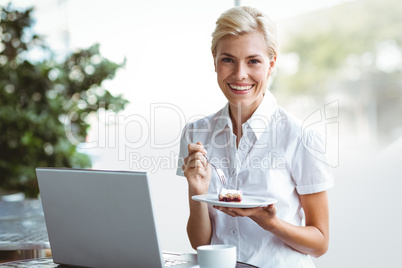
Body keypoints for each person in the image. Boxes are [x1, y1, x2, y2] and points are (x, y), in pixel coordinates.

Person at [176, 6, 334, 268]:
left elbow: (319, 243)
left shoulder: (301, 137)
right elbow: (199, 242)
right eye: (228, 59)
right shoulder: (196, 134)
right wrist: (197, 190)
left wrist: (268, 221)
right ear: (214, 59)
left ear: (271, 63)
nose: (239, 74)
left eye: (253, 61)